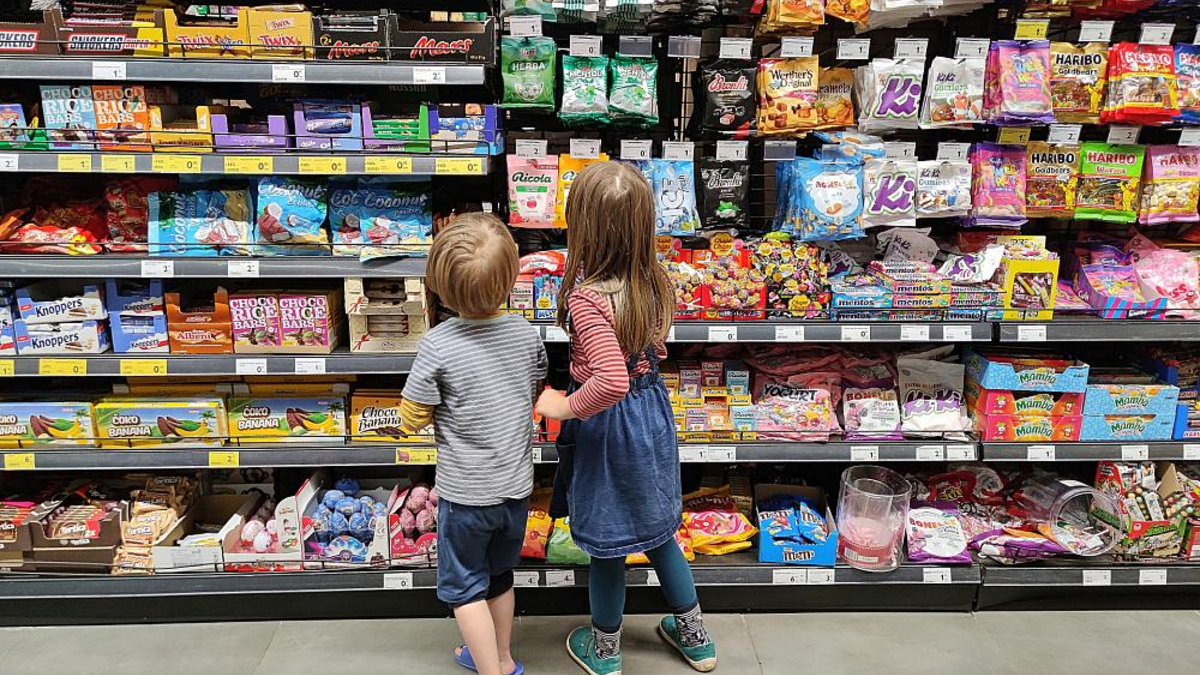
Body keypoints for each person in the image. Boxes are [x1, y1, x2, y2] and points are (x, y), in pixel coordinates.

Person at [536, 162, 717, 675]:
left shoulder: (587, 298)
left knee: (608, 545)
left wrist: (562, 406)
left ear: (584, 226)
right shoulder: (654, 279)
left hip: (609, 429)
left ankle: (606, 652)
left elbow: (610, 380)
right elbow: (654, 347)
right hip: (651, 416)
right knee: (660, 533)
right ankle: (697, 640)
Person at [400, 212, 545, 675]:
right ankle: (502, 658)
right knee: (500, 577)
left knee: (464, 589)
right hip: (516, 489)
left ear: (440, 286)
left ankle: (490, 671)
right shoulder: (526, 333)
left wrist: (428, 412)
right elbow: (536, 382)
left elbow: (411, 417)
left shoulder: (438, 344)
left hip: (466, 495)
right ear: (510, 279)